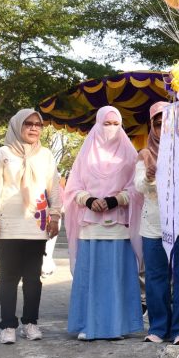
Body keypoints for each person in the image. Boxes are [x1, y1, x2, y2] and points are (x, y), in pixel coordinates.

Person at [63, 106, 143, 341]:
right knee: (91, 277)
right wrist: (88, 200)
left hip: (119, 226)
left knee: (116, 278)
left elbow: (137, 189)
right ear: (98, 124)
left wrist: (114, 200)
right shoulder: (86, 154)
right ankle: (89, 324)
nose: (111, 129)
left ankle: (117, 326)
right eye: (106, 124)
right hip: (90, 227)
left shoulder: (129, 154)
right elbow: (73, 187)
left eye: (115, 124)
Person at [0, 109, 62, 344]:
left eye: (38, 124)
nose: (33, 128)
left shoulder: (46, 155)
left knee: (33, 278)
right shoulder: (4, 152)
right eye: (28, 123)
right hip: (9, 224)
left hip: (36, 224)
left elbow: (54, 187)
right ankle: (7, 324)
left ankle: (30, 323)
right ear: (17, 125)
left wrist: (55, 215)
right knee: (7, 278)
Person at [136, 102, 179, 345]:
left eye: (168, 122)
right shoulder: (145, 154)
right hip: (153, 226)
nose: (162, 127)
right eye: (157, 123)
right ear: (151, 126)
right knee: (155, 278)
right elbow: (139, 186)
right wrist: (150, 177)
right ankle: (158, 327)